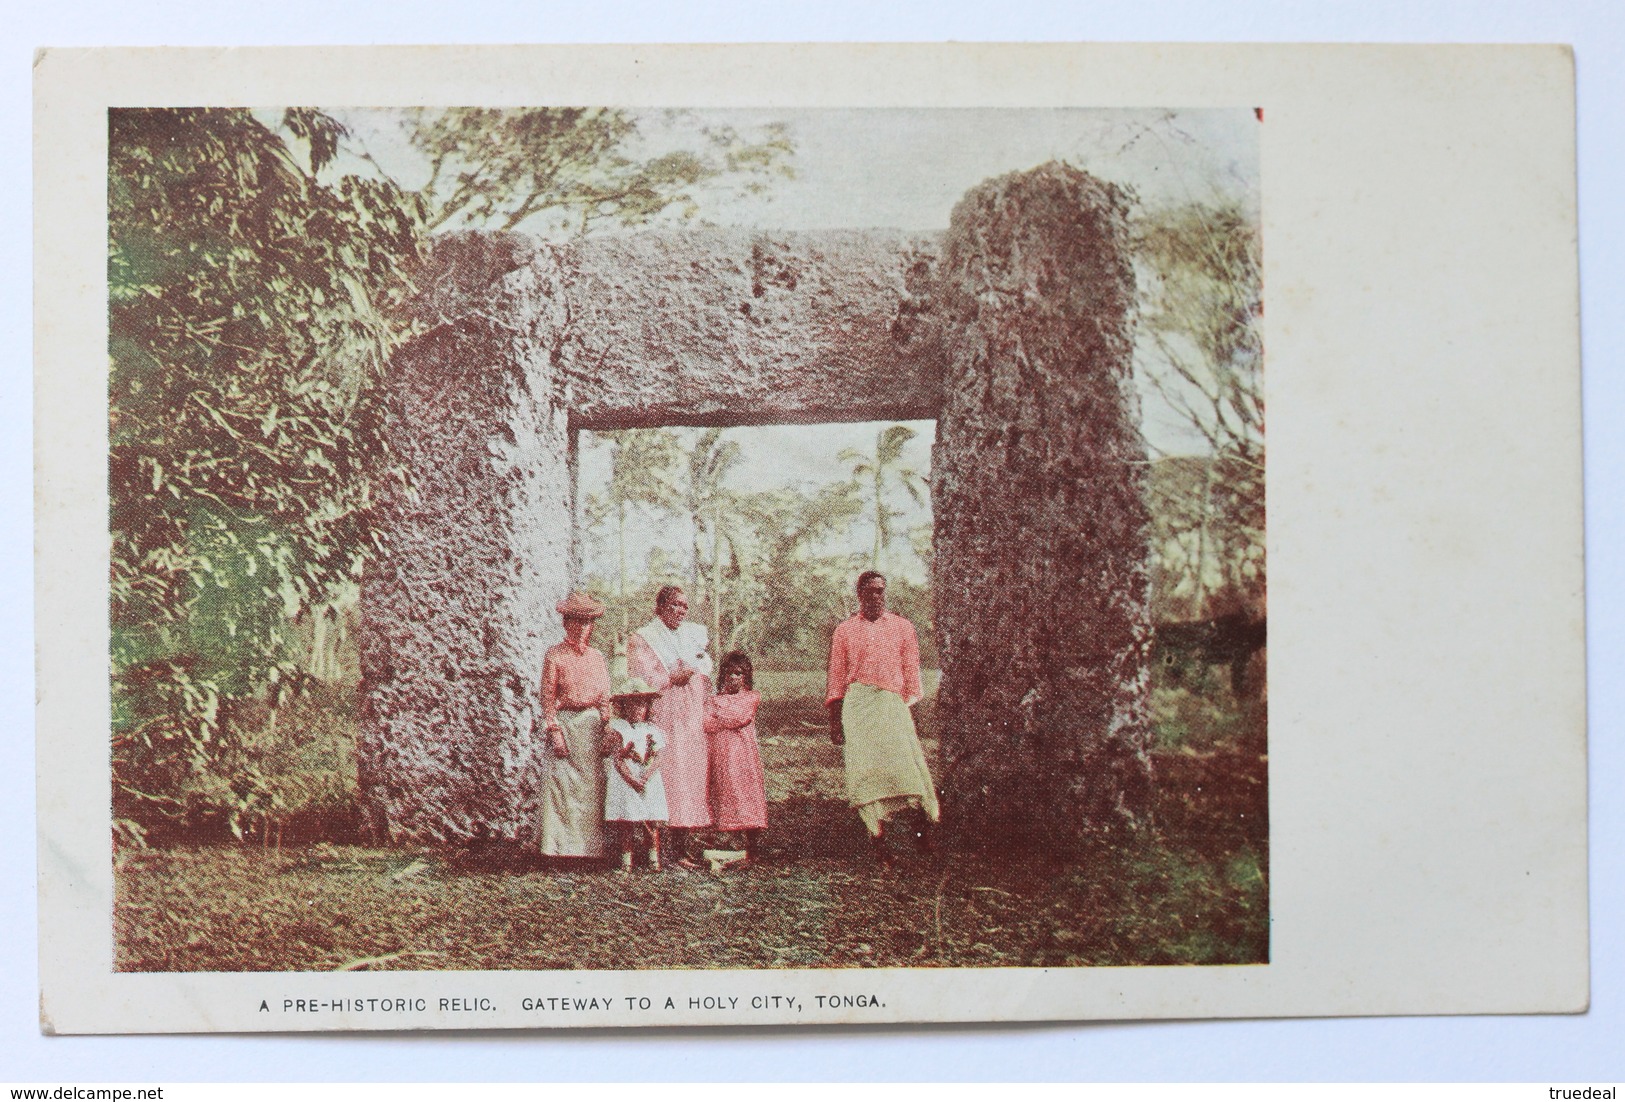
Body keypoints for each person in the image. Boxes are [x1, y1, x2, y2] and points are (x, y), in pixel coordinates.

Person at [826, 570, 940, 866]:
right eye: (870, 592)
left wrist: (905, 707)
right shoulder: (845, 630)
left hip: (892, 704)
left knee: (907, 771)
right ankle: (879, 843)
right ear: (859, 594)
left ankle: (922, 836)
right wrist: (835, 721)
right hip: (859, 708)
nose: (876, 597)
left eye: (880, 591)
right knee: (866, 775)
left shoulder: (903, 627)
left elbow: (912, 675)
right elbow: (837, 677)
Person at [627, 585, 713, 868]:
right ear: (661, 607)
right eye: (675, 605)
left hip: (689, 712)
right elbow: (640, 676)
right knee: (666, 772)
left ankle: (682, 845)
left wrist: (694, 673)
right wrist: (669, 677)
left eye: (684, 606)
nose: (680, 611)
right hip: (664, 709)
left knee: (689, 775)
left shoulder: (692, 634)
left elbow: (704, 665)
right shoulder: (645, 638)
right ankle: (657, 846)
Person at [535, 591, 613, 862]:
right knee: (561, 787)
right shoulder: (554, 655)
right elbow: (547, 699)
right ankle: (558, 851)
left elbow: (605, 697)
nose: (582, 628)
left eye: (588, 623)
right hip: (566, 723)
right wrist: (554, 730)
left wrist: (607, 728)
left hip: (591, 726)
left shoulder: (597, 657)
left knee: (591, 788)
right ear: (566, 623)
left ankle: (589, 852)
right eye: (577, 622)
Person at [703, 651, 767, 866]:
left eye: (738, 674)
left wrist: (720, 717)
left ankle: (752, 844)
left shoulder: (751, 697)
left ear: (746, 676)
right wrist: (724, 717)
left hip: (743, 754)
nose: (734, 678)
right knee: (726, 792)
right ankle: (730, 841)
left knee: (746, 793)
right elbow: (706, 724)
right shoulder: (714, 699)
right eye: (729, 674)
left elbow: (741, 718)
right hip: (722, 754)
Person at [603, 678, 668, 874]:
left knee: (650, 820)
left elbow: (658, 757)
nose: (637, 709)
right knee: (627, 821)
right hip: (626, 779)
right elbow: (618, 758)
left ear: (648, 706)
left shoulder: (652, 730)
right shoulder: (619, 729)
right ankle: (626, 861)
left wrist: (646, 776)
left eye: (641, 704)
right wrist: (631, 779)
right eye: (631, 704)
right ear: (623, 706)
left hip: (648, 778)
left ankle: (653, 858)